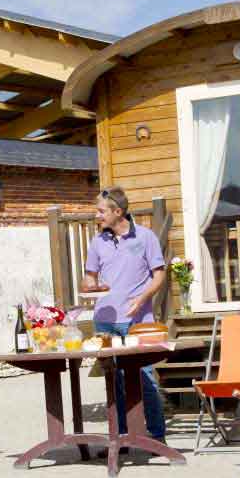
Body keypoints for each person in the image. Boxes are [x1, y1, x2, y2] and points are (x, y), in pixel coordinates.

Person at [81, 186, 168, 443]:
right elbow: (91, 277)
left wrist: (142, 299)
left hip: (138, 321)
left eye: (101, 211)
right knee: (114, 380)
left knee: (146, 378)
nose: (97, 215)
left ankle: (156, 435)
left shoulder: (146, 237)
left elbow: (159, 275)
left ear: (118, 212)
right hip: (104, 321)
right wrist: (88, 286)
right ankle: (120, 435)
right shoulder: (98, 241)